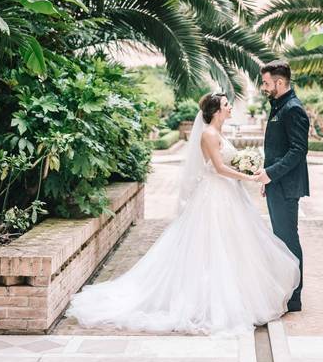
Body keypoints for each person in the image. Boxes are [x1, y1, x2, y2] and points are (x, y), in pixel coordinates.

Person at [65, 92, 300, 336]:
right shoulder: (208, 134)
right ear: (217, 110)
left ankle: (239, 294)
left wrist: (244, 164)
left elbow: (227, 163)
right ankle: (212, 301)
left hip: (228, 194)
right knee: (213, 245)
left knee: (234, 244)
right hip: (215, 195)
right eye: (227, 104)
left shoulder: (219, 132)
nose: (231, 107)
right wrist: (248, 176)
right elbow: (218, 169)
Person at [253, 60, 309, 313]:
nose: (264, 87)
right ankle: (286, 290)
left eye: (266, 83)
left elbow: (298, 150)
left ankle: (294, 297)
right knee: (281, 239)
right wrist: (267, 176)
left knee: (288, 238)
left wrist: (271, 174)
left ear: (279, 82)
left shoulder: (292, 109)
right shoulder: (279, 106)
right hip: (277, 183)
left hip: (287, 186)